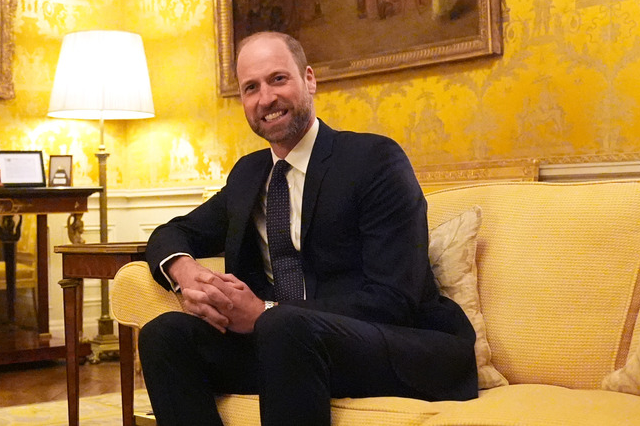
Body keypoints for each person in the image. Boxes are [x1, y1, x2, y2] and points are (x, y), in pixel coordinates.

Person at [139, 31, 478, 426]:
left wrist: (265, 311)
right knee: (164, 334)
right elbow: (172, 232)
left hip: (395, 344)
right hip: (286, 348)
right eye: (251, 88)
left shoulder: (374, 160)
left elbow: (394, 298)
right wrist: (185, 274)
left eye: (278, 79)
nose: (266, 98)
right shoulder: (249, 175)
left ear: (309, 80)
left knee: (283, 326)